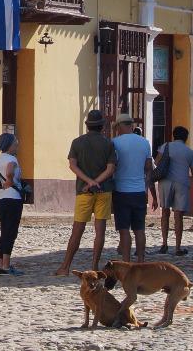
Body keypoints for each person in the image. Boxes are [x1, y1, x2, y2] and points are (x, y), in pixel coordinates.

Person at [55, 109, 117, 276]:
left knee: (77, 230)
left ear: (87, 125)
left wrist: (89, 182)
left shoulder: (77, 142)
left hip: (84, 191)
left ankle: (65, 266)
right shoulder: (108, 144)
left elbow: (72, 165)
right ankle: (95, 265)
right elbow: (110, 169)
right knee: (100, 230)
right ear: (102, 126)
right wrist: (97, 182)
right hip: (104, 190)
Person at [110, 111, 155, 263]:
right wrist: (145, 185)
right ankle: (141, 261)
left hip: (121, 190)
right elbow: (148, 167)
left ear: (119, 127)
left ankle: (126, 262)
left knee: (124, 230)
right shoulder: (144, 142)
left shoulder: (115, 143)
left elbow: (112, 166)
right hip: (139, 191)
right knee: (139, 230)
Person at [154, 126, 193, 256]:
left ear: (174, 135)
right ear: (186, 138)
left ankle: (164, 244)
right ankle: (178, 247)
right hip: (182, 183)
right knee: (179, 215)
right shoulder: (190, 152)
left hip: (165, 182)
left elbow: (157, 163)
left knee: (165, 213)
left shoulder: (165, 146)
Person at [0, 131, 26, 275]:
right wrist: (10, 180)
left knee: (3, 230)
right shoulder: (12, 159)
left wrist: (6, 182)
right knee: (11, 232)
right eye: (15, 143)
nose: (17, 145)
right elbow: (10, 170)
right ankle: (6, 265)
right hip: (13, 198)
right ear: (9, 145)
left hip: (1, 198)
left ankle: (1, 263)